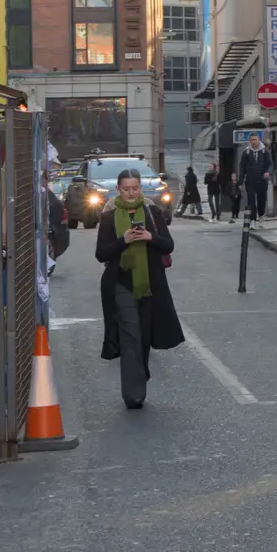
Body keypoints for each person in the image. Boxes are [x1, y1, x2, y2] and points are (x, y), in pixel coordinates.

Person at [95, 169, 184, 409]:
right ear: (118, 189)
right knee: (130, 335)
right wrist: (123, 240)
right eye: (126, 189)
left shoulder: (152, 211)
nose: (131, 193)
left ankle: (140, 373)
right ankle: (133, 395)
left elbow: (168, 245)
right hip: (120, 283)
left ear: (140, 189)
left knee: (144, 336)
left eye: (135, 188)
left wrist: (148, 237)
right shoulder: (109, 216)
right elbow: (101, 254)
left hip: (150, 286)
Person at [237, 133, 273, 222]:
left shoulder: (265, 151)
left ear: (258, 140)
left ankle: (261, 214)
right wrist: (240, 182)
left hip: (262, 180)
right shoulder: (246, 152)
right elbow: (242, 168)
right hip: (250, 180)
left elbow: (270, 164)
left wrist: (268, 172)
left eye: (255, 140)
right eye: (252, 140)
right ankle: (253, 219)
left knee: (262, 199)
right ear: (249, 141)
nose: (253, 142)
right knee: (251, 201)